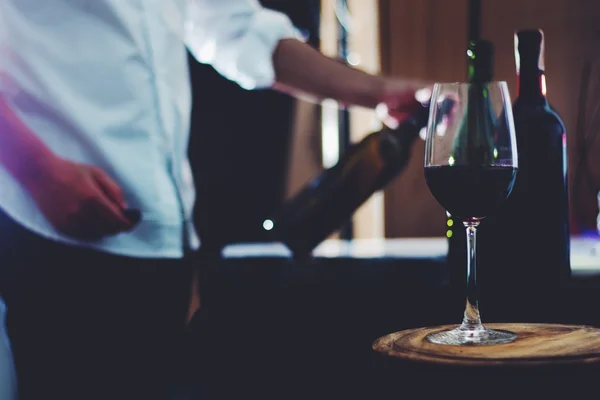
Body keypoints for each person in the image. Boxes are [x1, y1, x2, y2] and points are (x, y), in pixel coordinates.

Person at [0, 0, 426, 399]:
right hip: (52, 227)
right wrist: (38, 172)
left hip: (165, 238)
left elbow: (232, 25)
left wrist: (381, 92)